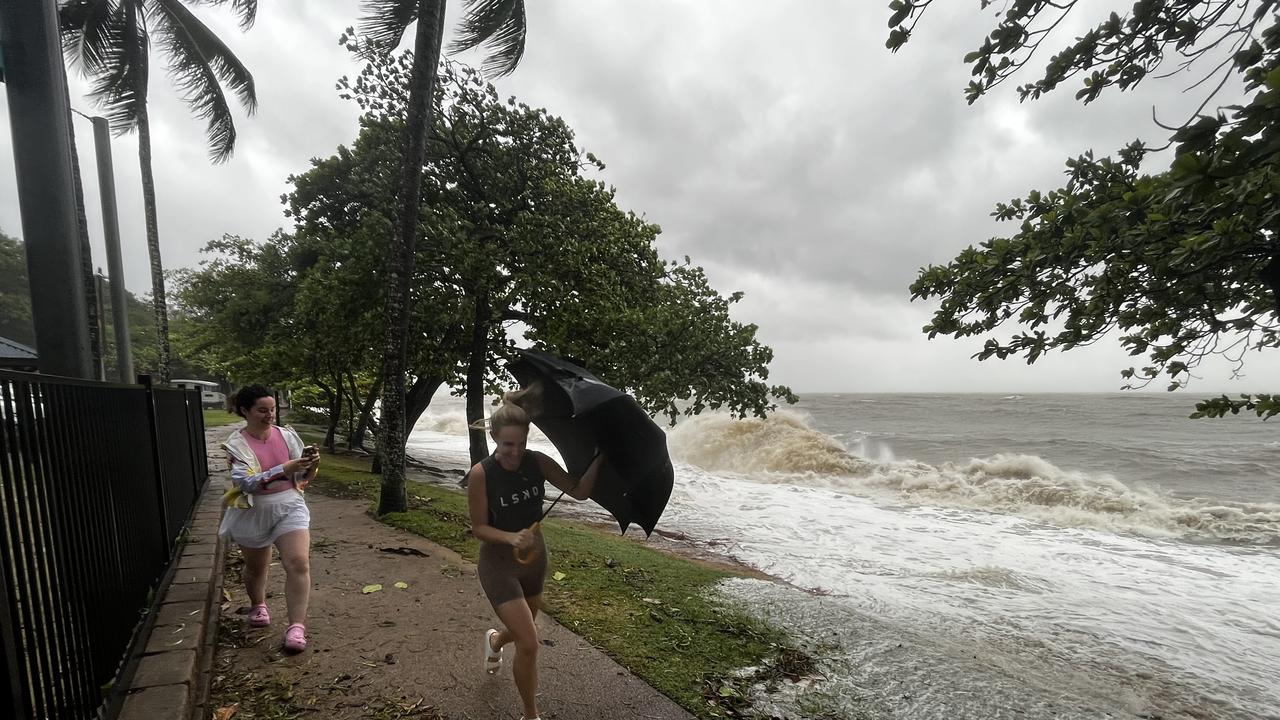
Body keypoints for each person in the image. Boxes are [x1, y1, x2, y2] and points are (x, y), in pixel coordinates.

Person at [466, 385, 605, 720]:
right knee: (529, 642)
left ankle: (496, 641)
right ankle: (531, 714)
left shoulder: (538, 463)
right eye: (507, 445)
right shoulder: (481, 474)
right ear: (495, 438)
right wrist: (511, 537)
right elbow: (479, 528)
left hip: (535, 559)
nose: (514, 452)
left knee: (521, 631)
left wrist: (600, 456)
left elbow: (580, 491)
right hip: (499, 563)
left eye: (521, 443)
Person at [218, 385, 318, 653]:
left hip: (290, 506)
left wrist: (311, 466)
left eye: (272, 409)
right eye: (262, 410)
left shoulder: (287, 437)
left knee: (298, 562)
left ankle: (296, 627)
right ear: (244, 410)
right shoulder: (236, 444)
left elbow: (301, 479)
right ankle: (258, 605)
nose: (270, 415)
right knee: (257, 568)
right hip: (254, 511)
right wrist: (283, 468)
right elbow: (247, 483)